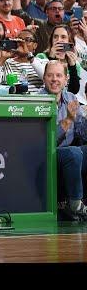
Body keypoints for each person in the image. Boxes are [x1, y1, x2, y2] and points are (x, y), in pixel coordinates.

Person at [40, 60, 87, 220]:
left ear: (66, 80)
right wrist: (67, 120)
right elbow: (46, 141)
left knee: (77, 152)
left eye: (59, 75)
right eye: (50, 75)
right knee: (74, 153)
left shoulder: (71, 97)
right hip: (47, 154)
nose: (55, 79)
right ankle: (75, 204)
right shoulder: (38, 102)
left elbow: (82, 134)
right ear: (44, 78)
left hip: (71, 152)